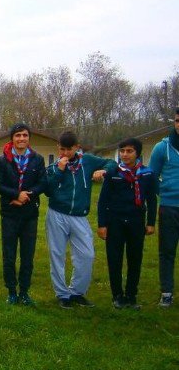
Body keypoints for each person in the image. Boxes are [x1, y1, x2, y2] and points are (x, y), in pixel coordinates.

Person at [45, 130, 115, 308]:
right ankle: (62, 294)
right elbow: (48, 189)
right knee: (57, 254)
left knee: (86, 255)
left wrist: (103, 171)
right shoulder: (54, 167)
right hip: (57, 214)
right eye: (62, 149)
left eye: (69, 149)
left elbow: (112, 163)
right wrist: (60, 171)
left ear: (77, 147)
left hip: (79, 216)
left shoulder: (88, 161)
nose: (66, 153)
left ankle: (77, 292)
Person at [97, 138, 156, 309]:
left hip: (136, 221)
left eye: (129, 151)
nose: (125, 154)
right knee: (114, 259)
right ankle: (117, 295)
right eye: (122, 151)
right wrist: (102, 224)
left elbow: (151, 200)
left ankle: (131, 295)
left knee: (135, 258)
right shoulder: (114, 173)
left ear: (137, 153)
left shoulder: (146, 174)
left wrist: (150, 222)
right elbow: (103, 201)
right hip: (115, 221)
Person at [0, 123, 46, 306]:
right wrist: (15, 195)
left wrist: (26, 196)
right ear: (12, 138)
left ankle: (24, 291)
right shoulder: (2, 160)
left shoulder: (37, 159)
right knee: (9, 254)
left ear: (28, 138)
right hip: (9, 213)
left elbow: (42, 183)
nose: (21, 139)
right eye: (17, 135)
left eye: (24, 135)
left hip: (30, 213)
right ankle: (11, 291)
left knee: (27, 255)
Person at [148, 108, 179, 307]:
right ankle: (166, 292)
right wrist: (166, 192)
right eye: (177, 120)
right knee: (167, 251)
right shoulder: (162, 148)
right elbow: (151, 177)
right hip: (169, 208)